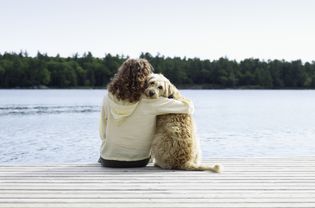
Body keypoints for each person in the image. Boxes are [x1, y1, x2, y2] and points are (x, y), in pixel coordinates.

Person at [99, 58, 194, 168]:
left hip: (109, 160)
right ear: (144, 78)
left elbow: (102, 132)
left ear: (121, 75)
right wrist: (171, 88)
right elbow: (188, 107)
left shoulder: (108, 97)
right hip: (139, 160)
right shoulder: (150, 101)